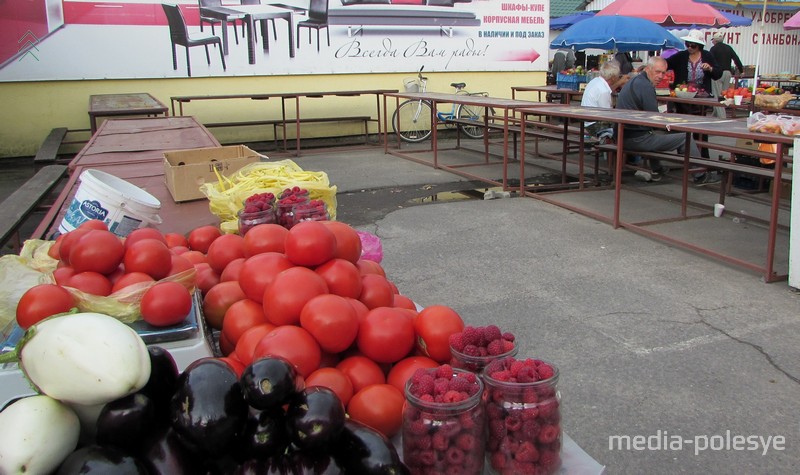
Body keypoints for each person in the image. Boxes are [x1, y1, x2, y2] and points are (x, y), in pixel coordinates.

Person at [616, 56, 715, 184]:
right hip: (634, 139)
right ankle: (700, 176)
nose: (661, 76)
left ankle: (657, 169)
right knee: (685, 138)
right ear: (647, 69)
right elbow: (655, 120)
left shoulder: (635, 81)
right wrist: (671, 120)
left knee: (655, 133)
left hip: (622, 136)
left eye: (663, 73)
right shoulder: (646, 86)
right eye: (657, 72)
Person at [665, 30, 722, 179]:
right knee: (683, 126)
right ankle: (686, 157)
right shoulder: (681, 56)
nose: (689, 47)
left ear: (699, 46)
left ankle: (702, 159)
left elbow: (718, 73)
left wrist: (710, 68)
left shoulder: (708, 55)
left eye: (693, 45)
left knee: (700, 130)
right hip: (683, 95)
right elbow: (667, 63)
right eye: (687, 44)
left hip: (702, 98)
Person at [581, 60, 628, 136]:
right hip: (593, 125)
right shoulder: (603, 91)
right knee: (625, 128)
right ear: (613, 77)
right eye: (618, 76)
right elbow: (607, 115)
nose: (618, 77)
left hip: (587, 122)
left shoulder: (595, 81)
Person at [709, 32, 744, 118]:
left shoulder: (713, 49)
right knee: (724, 96)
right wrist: (741, 70)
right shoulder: (729, 48)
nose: (712, 41)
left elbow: (709, 61)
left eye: (713, 40)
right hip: (728, 73)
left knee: (717, 97)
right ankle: (714, 117)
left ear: (715, 40)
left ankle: (722, 118)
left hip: (717, 73)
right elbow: (736, 59)